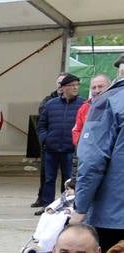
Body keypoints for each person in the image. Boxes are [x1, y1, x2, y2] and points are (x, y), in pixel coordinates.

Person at [72, 54, 124, 253]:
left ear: (120, 70)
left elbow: (93, 159)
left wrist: (80, 208)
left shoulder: (107, 101)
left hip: (113, 216)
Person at [36, 73, 82, 211]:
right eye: (71, 85)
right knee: (49, 180)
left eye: (77, 85)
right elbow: (41, 125)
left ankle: (67, 207)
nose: (75, 87)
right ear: (63, 88)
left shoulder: (82, 104)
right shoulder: (50, 104)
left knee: (69, 181)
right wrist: (45, 139)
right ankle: (47, 206)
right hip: (51, 149)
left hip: (71, 150)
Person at [73, 74, 110, 146]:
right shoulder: (84, 107)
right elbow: (77, 130)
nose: (97, 90)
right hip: (88, 151)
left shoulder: (116, 106)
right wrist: (81, 144)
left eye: (100, 86)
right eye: (93, 88)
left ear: (110, 87)